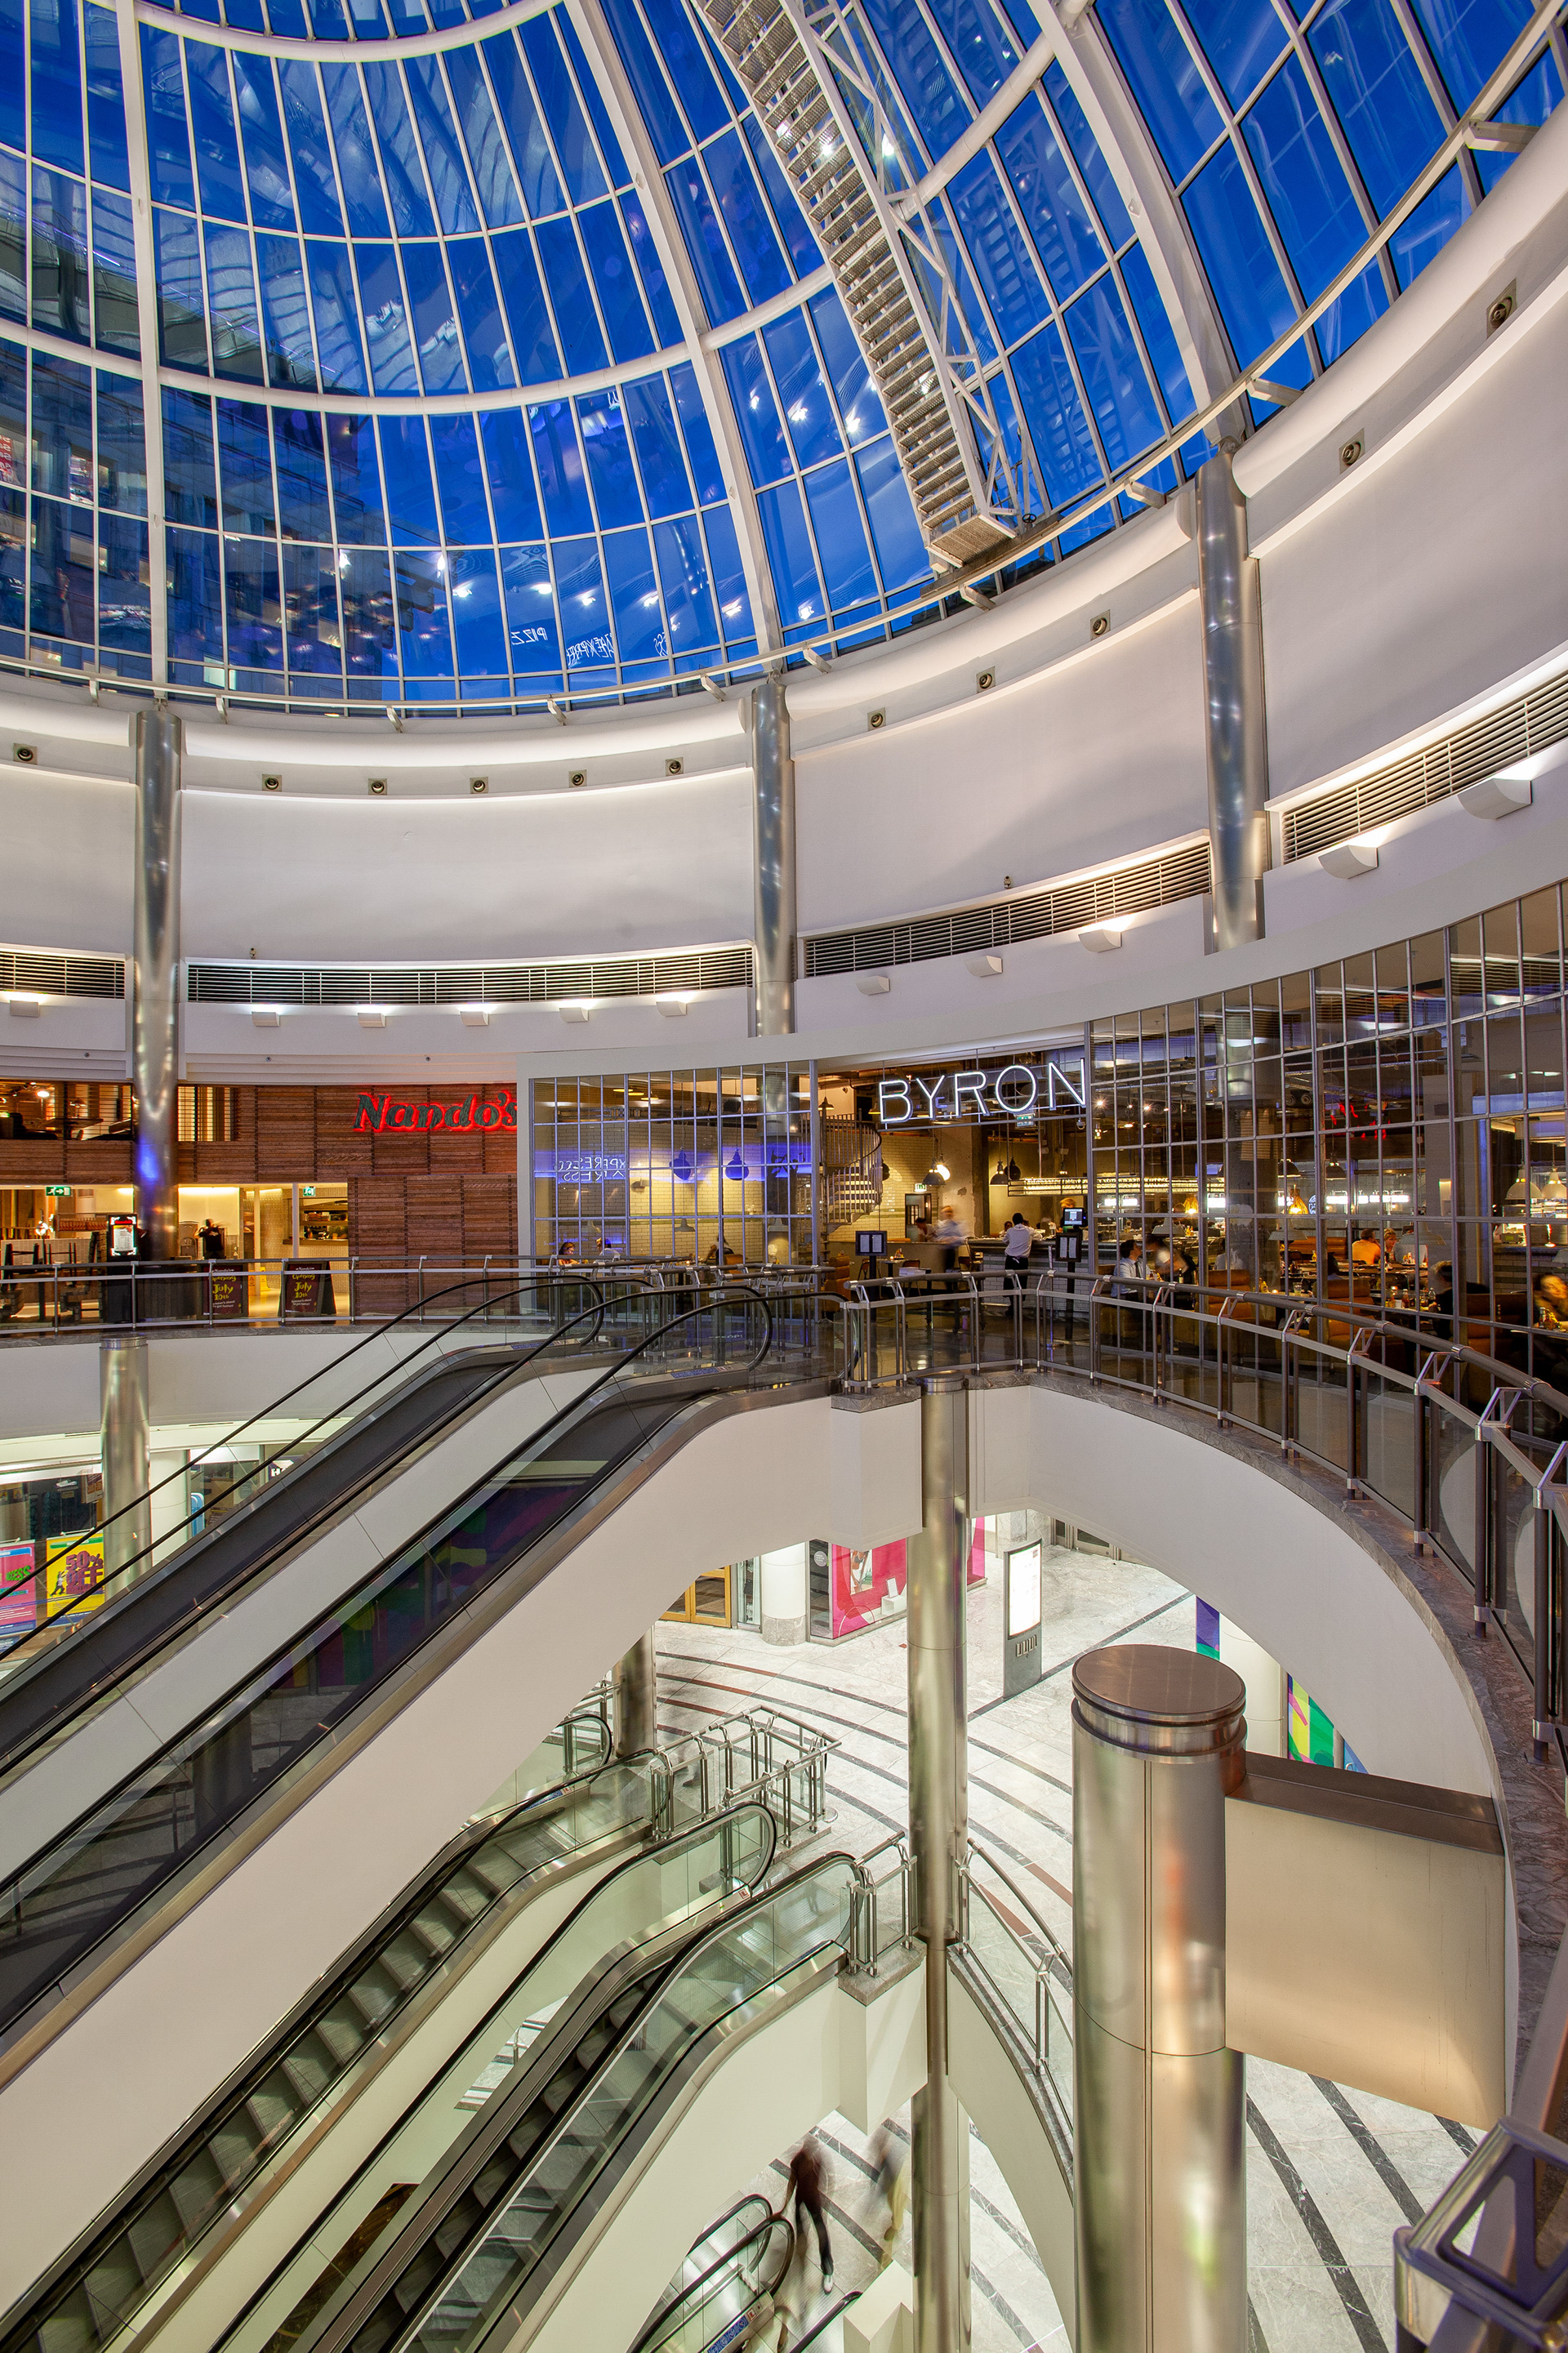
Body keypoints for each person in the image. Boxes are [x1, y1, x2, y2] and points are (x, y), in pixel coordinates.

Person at [783, 2135, 833, 2291]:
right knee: (801, 2232)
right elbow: (792, 2182)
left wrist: (827, 2201)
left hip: (814, 2202)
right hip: (801, 2200)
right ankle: (801, 2261)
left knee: (822, 2234)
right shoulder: (798, 2160)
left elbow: (826, 2180)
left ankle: (828, 2269)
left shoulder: (817, 2161)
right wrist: (786, 2204)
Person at [868, 2122, 906, 2267]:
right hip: (893, 2190)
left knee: (896, 2215)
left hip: (895, 2189)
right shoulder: (886, 2159)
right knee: (896, 2212)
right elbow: (878, 2173)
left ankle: (895, 2230)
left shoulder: (891, 2160)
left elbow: (886, 2179)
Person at [1002, 1210, 1033, 1296]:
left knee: (1009, 1283)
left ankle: (1012, 1305)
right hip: (1023, 1261)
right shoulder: (1030, 1230)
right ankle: (1019, 1305)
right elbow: (1039, 1237)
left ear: (1013, 1221)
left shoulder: (1010, 1231)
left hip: (1010, 1259)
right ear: (1023, 1221)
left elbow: (1004, 1240)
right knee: (1022, 1283)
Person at [933, 1204, 966, 1273]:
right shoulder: (940, 1225)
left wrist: (954, 1239)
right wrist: (942, 1240)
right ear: (943, 1214)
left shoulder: (957, 1225)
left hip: (953, 1252)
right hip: (940, 1253)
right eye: (946, 1212)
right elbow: (935, 1238)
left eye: (950, 1211)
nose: (948, 1213)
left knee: (952, 1272)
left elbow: (963, 1238)